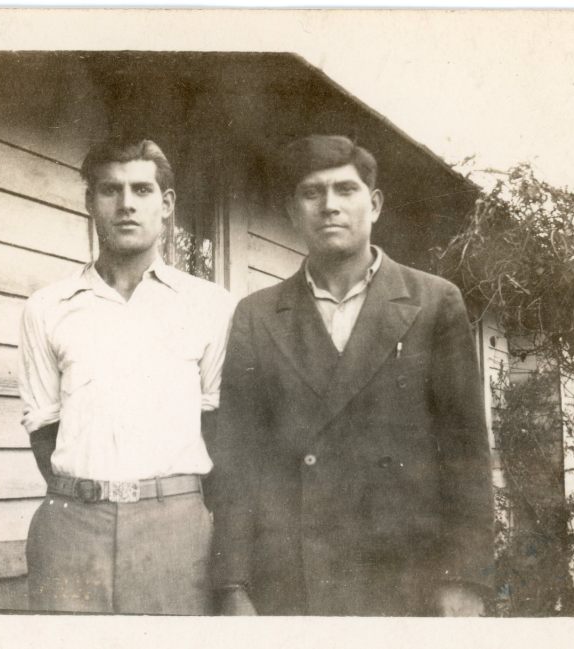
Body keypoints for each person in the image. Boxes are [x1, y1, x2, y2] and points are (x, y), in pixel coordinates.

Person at [209, 135, 494, 616]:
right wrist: (233, 586)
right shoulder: (257, 316)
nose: (329, 206)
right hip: (293, 578)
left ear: (375, 204)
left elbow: (466, 453)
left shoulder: (433, 302)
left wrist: (464, 578)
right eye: (312, 193)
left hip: (406, 575)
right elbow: (238, 461)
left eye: (345, 190)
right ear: (293, 212)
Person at [17, 138, 234, 614]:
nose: (127, 204)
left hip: (175, 530)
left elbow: (216, 426)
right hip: (73, 526)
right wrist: (87, 495)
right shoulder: (48, 308)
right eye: (110, 190)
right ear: (90, 203)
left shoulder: (210, 306)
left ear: (167, 204)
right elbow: (43, 428)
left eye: (142, 189)